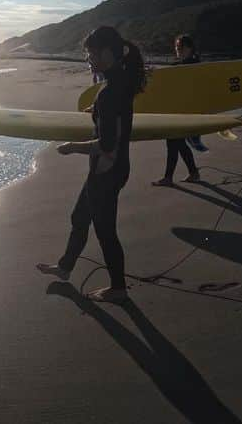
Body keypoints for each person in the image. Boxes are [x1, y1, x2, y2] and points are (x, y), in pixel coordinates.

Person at [36, 26, 147, 303]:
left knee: (105, 231)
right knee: (80, 217)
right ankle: (64, 268)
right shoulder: (121, 82)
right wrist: (97, 112)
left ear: (108, 53)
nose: (89, 59)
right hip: (116, 167)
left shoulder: (109, 92)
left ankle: (118, 288)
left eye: (92, 53)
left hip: (106, 169)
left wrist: (72, 147)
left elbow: (107, 144)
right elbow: (116, 119)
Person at [152, 34, 202, 186]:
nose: (178, 50)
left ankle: (170, 177)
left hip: (185, 111)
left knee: (175, 142)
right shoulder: (182, 65)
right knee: (176, 142)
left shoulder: (193, 65)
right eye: (176, 47)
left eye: (181, 47)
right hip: (178, 110)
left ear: (190, 48)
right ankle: (192, 173)